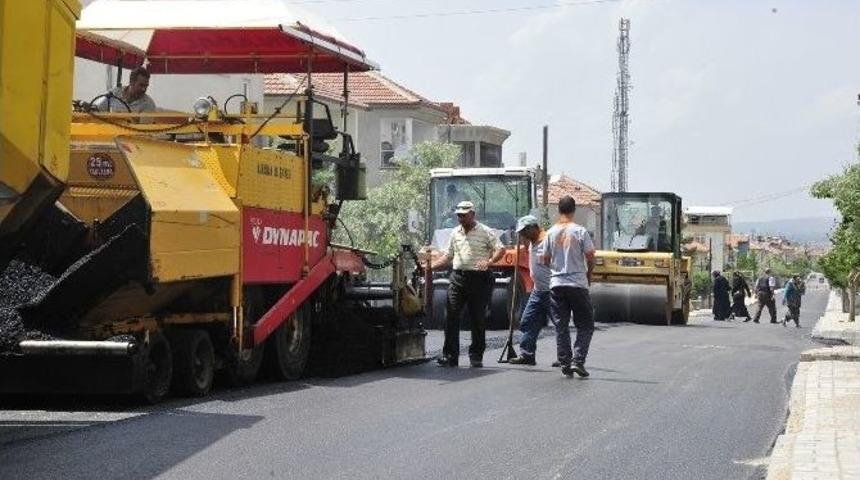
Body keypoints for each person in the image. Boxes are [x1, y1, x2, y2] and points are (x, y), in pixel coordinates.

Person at [431, 201, 505, 368]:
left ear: (473, 215)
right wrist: (429, 267)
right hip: (458, 278)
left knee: (477, 318)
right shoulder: (455, 233)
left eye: (464, 215)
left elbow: (501, 249)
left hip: (478, 279)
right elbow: (448, 256)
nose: (461, 218)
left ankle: (476, 355)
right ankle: (450, 356)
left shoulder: (485, 231)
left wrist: (489, 261)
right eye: (459, 215)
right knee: (451, 316)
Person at [541, 195, 596, 378]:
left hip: (557, 284)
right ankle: (578, 361)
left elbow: (544, 259)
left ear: (559, 210)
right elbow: (590, 257)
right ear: (573, 210)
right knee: (586, 324)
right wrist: (588, 275)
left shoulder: (550, 232)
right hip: (577, 284)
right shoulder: (580, 231)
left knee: (561, 325)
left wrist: (557, 270)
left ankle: (565, 362)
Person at [508, 215, 551, 366]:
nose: (522, 235)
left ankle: (565, 357)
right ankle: (527, 354)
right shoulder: (531, 241)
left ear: (534, 227)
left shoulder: (548, 240)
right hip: (538, 290)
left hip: (552, 291)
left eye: (524, 231)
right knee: (527, 321)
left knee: (560, 325)